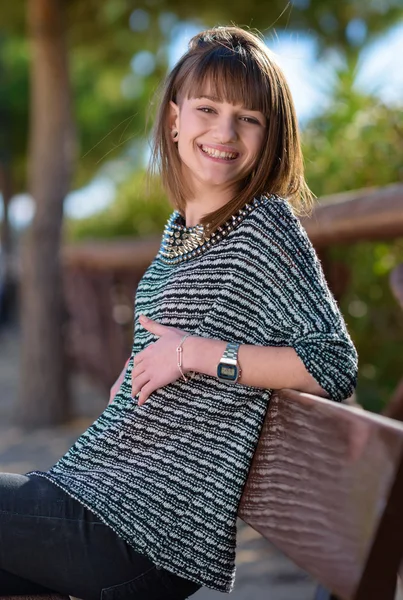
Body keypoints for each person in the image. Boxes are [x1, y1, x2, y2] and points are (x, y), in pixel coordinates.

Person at [0, 25, 358, 600]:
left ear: (271, 135)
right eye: (208, 108)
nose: (225, 131)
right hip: (96, 492)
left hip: (142, 530)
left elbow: (333, 365)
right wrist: (143, 365)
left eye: (249, 118)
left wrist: (192, 354)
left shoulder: (264, 228)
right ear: (173, 118)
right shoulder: (181, 232)